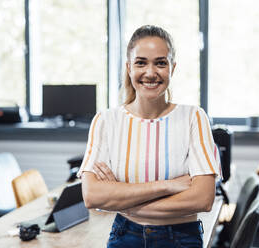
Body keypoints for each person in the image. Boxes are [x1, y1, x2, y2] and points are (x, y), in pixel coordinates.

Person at [78, 25, 221, 248]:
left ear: (172, 68)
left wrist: (119, 198)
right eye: (141, 62)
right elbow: (92, 196)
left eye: (160, 63)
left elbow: (203, 199)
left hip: (181, 237)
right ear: (128, 67)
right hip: (125, 235)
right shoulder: (105, 121)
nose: (150, 72)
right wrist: (166, 186)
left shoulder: (194, 117)